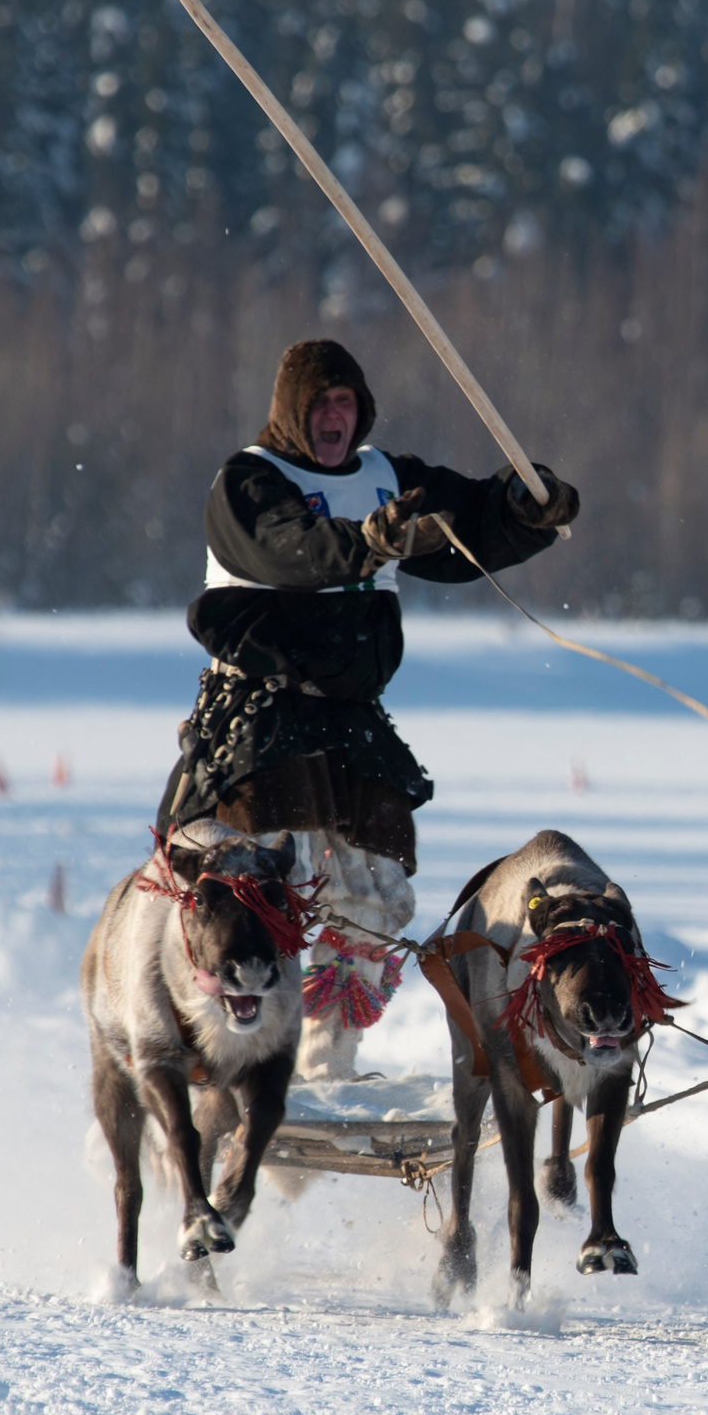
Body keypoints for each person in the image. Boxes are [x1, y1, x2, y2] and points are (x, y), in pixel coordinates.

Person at [164, 338, 580, 1079]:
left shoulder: (387, 476)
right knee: (263, 891)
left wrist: (527, 508)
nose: (335, 416)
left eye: (346, 403)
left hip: (350, 718)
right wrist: (365, 542)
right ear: (294, 412)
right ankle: (248, 1055)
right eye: (321, 403)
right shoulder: (250, 481)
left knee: (375, 894)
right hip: (262, 715)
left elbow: (468, 524)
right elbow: (287, 549)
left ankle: (327, 1065)